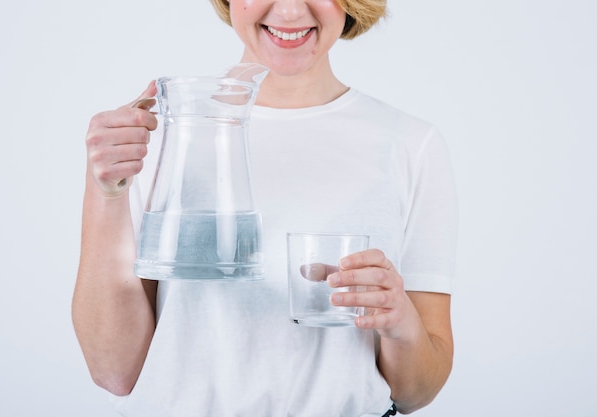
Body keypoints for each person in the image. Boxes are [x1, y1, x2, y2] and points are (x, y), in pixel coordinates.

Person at [72, 0, 458, 416]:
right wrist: (106, 192)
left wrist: (399, 321)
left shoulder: (410, 145)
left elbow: (418, 392)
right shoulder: (157, 135)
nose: (290, 12)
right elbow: (114, 371)